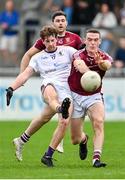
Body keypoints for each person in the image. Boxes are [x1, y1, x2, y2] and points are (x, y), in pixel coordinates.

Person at [12, 10, 83, 160]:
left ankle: (21, 140)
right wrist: (19, 80)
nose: (60, 23)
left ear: (66, 22)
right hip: (50, 82)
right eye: (57, 21)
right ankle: (57, 143)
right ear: (53, 23)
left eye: (63, 20)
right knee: (58, 106)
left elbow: (83, 57)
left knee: (44, 118)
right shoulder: (44, 42)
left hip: (69, 85)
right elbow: (27, 55)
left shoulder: (74, 41)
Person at [68, 29, 112, 167]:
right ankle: (84, 140)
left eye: (95, 40)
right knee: (75, 139)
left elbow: (108, 65)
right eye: (90, 39)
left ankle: (96, 159)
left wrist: (101, 64)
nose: (92, 42)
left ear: (99, 41)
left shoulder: (104, 56)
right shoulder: (78, 55)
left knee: (99, 122)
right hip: (76, 96)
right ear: (85, 41)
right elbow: (79, 66)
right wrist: (91, 74)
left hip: (94, 96)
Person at [0, 0, 20, 66]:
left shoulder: (15, 14)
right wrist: (2, 24)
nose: (9, 7)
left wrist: (7, 24)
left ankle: (16, 65)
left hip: (13, 35)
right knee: (3, 48)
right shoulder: (3, 14)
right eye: (8, 5)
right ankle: (7, 63)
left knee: (13, 51)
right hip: (5, 34)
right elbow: (1, 21)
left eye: (10, 5)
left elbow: (15, 22)